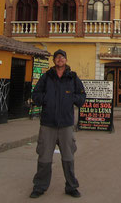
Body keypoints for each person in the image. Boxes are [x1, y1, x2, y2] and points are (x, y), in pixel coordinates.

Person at [30, 49, 86, 199]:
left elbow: (82, 97)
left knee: (68, 157)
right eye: (57, 57)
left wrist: (71, 98)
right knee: (44, 157)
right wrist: (46, 98)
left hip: (66, 124)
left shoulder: (72, 78)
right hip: (48, 123)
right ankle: (40, 186)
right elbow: (35, 95)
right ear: (54, 61)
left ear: (66, 60)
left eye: (62, 57)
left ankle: (71, 186)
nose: (60, 59)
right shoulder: (46, 77)